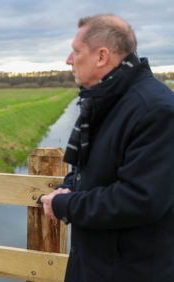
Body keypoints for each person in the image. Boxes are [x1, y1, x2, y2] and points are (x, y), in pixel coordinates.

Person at [40, 14, 174, 281]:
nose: (69, 59)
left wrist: (66, 205)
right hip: (94, 263)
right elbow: (86, 165)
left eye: (76, 51)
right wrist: (70, 185)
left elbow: (140, 200)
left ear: (101, 57)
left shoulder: (156, 111)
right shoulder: (106, 98)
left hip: (131, 270)